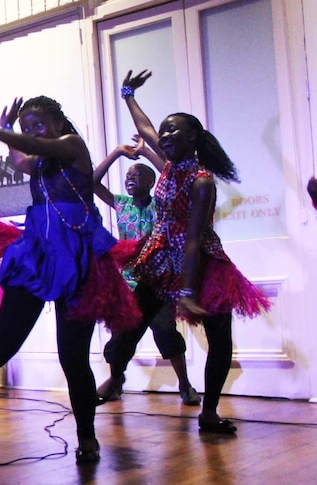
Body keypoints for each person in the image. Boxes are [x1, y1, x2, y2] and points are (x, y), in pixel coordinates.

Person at [0, 86, 141, 463]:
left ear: (59, 123)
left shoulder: (72, 145)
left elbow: (40, 149)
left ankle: (86, 435)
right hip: (37, 255)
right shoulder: (40, 160)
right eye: (26, 125)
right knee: (4, 344)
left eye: (38, 124)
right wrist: (4, 129)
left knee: (73, 356)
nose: (33, 131)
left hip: (79, 257)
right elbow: (21, 160)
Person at [118, 69, 271, 434]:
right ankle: (114, 378)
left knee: (219, 340)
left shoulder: (201, 180)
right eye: (165, 130)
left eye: (175, 131)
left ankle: (209, 412)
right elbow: (148, 127)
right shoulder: (169, 165)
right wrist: (128, 94)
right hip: (161, 259)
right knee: (129, 328)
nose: (165, 135)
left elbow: (192, 240)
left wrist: (187, 291)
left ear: (193, 139)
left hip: (201, 264)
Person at [92, 138, 201, 406]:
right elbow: (91, 184)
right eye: (128, 175)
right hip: (127, 283)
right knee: (119, 338)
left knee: (165, 332)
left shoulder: (161, 205)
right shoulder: (121, 204)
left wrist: (145, 152)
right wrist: (117, 153)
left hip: (157, 281)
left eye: (138, 175)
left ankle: (185, 385)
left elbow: (170, 175)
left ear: (151, 183)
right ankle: (116, 380)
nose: (131, 179)